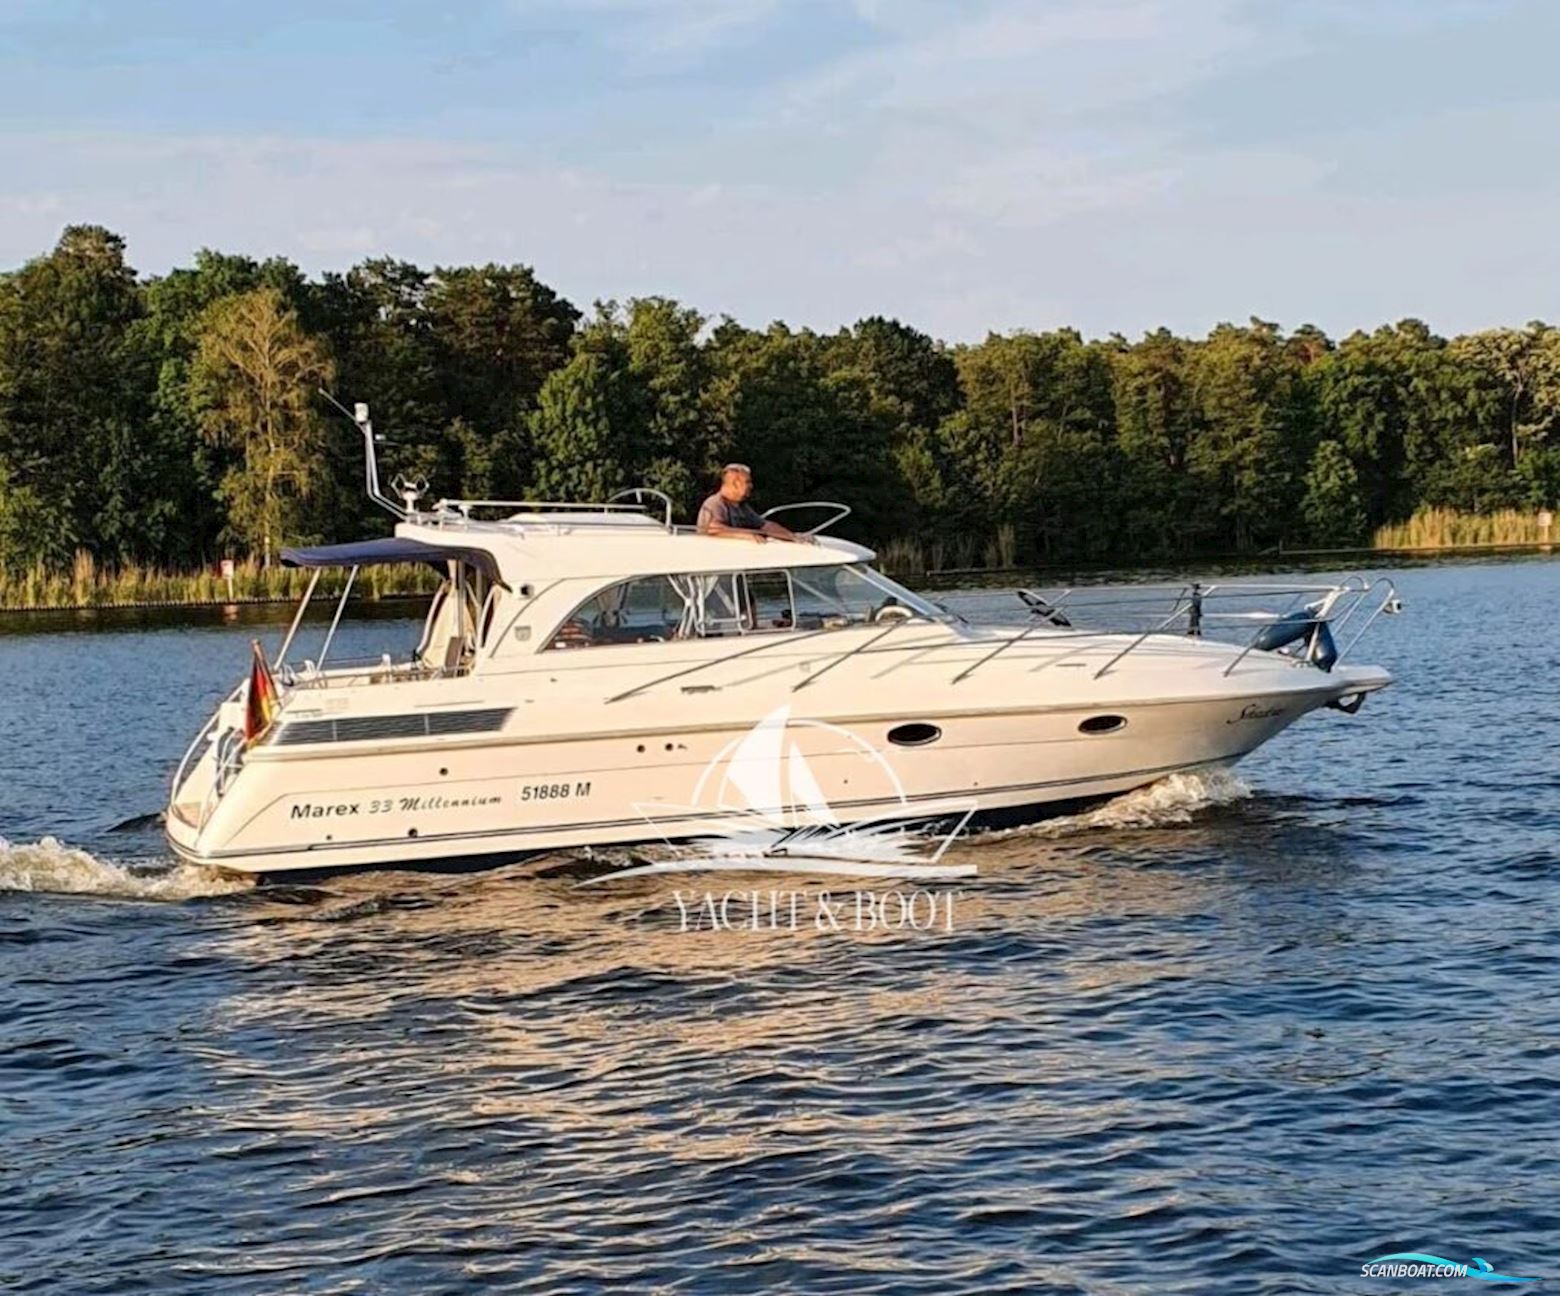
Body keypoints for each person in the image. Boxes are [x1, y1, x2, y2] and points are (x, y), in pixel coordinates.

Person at [696, 464, 814, 544]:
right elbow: (714, 529)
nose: (751, 486)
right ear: (735, 483)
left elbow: (764, 526)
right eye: (747, 482)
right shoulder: (715, 503)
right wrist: (748, 536)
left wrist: (792, 537)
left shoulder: (742, 506)